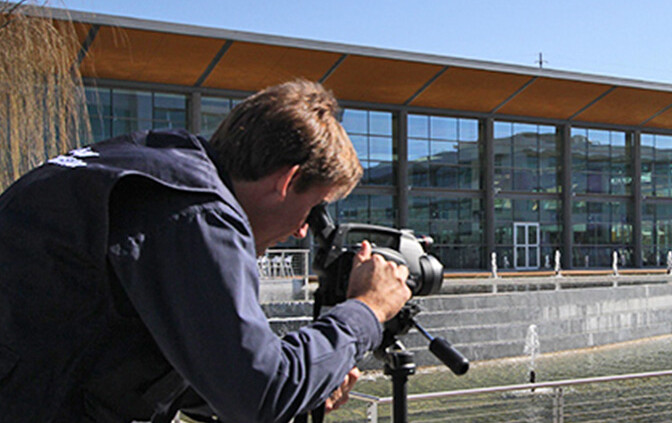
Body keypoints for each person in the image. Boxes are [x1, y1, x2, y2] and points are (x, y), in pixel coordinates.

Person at [0, 80, 413, 422]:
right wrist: (369, 309)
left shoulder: (152, 167)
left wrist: (308, 378)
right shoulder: (197, 210)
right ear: (287, 181)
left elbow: (138, 359)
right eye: (312, 208)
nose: (302, 229)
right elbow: (259, 394)